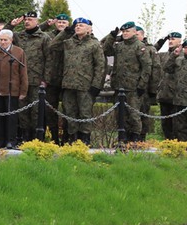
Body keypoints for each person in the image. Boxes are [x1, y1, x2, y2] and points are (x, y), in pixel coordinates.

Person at [50, 17, 105, 145]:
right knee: (69, 113)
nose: (78, 27)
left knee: (85, 114)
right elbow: (53, 45)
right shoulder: (69, 42)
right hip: (69, 84)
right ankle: (72, 138)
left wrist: (96, 85)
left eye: (81, 25)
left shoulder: (94, 44)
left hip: (85, 86)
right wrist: (66, 32)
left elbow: (100, 66)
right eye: (76, 25)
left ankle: (84, 140)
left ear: (88, 29)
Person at [101, 21, 151, 142]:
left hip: (133, 88)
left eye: (127, 31)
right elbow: (105, 50)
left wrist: (141, 85)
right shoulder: (119, 46)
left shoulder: (140, 46)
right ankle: (122, 140)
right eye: (123, 31)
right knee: (120, 116)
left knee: (134, 116)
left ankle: (135, 141)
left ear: (134, 32)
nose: (125, 33)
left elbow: (147, 67)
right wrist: (112, 36)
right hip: (119, 87)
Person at [6, 11, 50, 142]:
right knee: (22, 112)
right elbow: (3, 36)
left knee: (36, 111)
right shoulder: (20, 36)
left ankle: (37, 139)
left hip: (37, 81)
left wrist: (45, 79)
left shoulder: (44, 37)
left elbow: (50, 59)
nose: (27, 21)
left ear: (37, 21)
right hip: (21, 80)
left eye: (30, 19)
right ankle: (25, 138)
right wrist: (11, 25)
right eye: (25, 19)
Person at [0, 29, 28, 148]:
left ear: (11, 40)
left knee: (11, 117)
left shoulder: (19, 52)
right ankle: (0, 141)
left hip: (12, 91)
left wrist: (23, 90)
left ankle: (11, 140)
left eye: (5, 40)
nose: (3, 42)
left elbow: (23, 73)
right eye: (1, 40)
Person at [40, 14, 70, 144]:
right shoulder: (49, 36)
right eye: (59, 22)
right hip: (51, 79)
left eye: (64, 22)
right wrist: (46, 24)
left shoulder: (73, 36)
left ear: (68, 24)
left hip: (67, 79)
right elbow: (36, 32)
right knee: (50, 110)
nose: (61, 24)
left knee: (68, 110)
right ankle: (54, 138)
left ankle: (67, 138)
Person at [155, 31, 182, 139]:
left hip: (176, 95)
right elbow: (151, 51)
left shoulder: (183, 56)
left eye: (173, 39)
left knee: (177, 125)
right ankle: (168, 145)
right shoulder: (163, 56)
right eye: (169, 39)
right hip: (164, 95)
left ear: (180, 41)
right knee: (165, 125)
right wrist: (161, 41)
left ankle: (177, 147)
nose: (170, 41)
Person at [136, 26, 161, 141]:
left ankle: (141, 139)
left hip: (144, 88)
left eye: (137, 35)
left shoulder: (150, 49)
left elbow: (155, 70)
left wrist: (152, 90)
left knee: (143, 113)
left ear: (142, 35)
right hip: (130, 87)